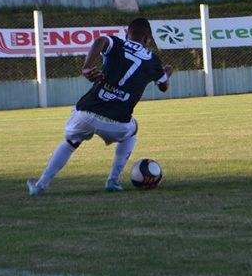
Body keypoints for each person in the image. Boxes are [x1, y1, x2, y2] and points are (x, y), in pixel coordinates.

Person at [27, 17, 172, 196]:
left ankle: (40, 185)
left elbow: (101, 40)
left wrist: (86, 67)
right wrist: (166, 74)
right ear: (147, 39)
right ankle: (113, 180)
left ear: (127, 34)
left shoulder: (118, 43)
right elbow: (163, 86)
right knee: (132, 131)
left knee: (71, 143)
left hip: (87, 112)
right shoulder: (153, 61)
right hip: (117, 122)